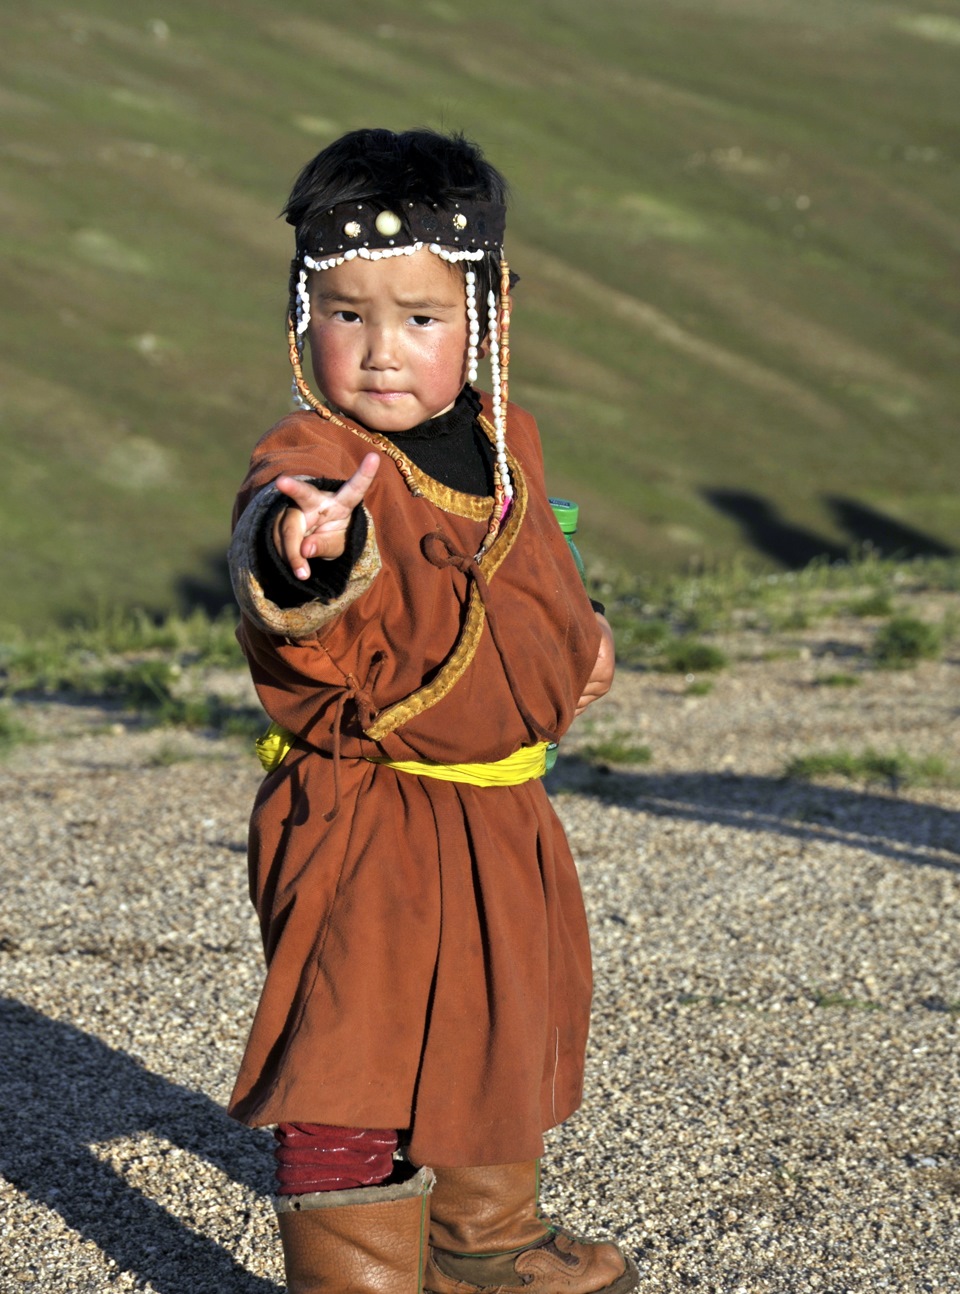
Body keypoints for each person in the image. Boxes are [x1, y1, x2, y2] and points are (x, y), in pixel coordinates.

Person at [227, 127, 634, 1294]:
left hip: (499, 811)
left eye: (419, 315)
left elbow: (532, 564)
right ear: (302, 316)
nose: (381, 352)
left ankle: (483, 1242)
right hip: (367, 820)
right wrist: (306, 549)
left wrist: (583, 627)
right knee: (351, 1055)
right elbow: (279, 543)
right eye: (346, 314)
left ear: (490, 315)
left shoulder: (509, 440)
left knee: (499, 1018)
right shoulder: (313, 456)